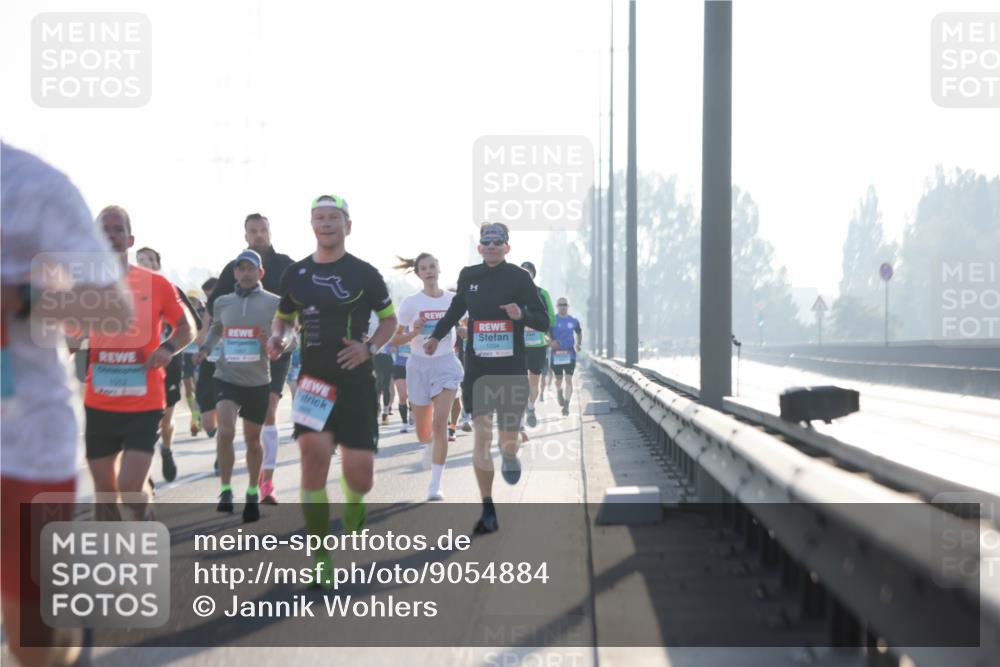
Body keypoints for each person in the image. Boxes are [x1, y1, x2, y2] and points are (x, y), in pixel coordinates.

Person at [1, 142, 132, 667]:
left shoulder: (35, 186)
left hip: (22, 441)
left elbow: (113, 308)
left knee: (32, 641)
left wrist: (20, 299)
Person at [267, 194, 396, 587]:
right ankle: (320, 558)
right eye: (319, 218)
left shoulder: (365, 274)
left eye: (333, 218)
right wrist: (279, 338)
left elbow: (389, 322)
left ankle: (354, 499)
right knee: (312, 458)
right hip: (313, 381)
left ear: (347, 225)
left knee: (361, 477)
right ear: (312, 225)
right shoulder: (296, 274)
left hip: (356, 380)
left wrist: (369, 348)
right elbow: (284, 318)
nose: (326, 224)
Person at [425, 223, 549, 534]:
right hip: (478, 368)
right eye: (486, 241)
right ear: (479, 247)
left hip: (511, 368)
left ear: (507, 247)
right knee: (481, 434)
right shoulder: (469, 275)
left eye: (498, 241)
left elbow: (543, 320)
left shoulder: (519, 278)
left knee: (507, 438)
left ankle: (510, 454)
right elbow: (455, 309)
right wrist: (436, 336)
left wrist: (521, 315)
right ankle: (488, 507)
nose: (492, 245)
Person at [83, 206, 195, 520]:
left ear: (130, 239)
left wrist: (168, 347)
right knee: (104, 492)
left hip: (143, 402)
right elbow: (68, 338)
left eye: (118, 229)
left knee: (131, 488)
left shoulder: (155, 284)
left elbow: (186, 326)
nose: (110, 236)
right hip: (99, 402)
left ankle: (146, 519)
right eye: (103, 230)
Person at [209, 213, 295, 503]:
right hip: (237, 357)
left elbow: (301, 306)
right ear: (245, 235)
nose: (258, 235)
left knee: (269, 413)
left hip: (275, 353)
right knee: (230, 427)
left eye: (262, 230)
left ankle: (266, 483)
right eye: (253, 231)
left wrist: (284, 338)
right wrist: (208, 345)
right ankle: (232, 470)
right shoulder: (232, 268)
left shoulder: (286, 265)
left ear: (270, 233)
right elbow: (215, 309)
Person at [195, 250, 279, 522]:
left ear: (260, 272)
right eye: (240, 269)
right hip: (226, 376)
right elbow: (216, 329)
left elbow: (288, 335)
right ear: (234, 273)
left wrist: (275, 342)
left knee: (253, 440)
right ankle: (226, 490)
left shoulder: (273, 303)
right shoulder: (223, 302)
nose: (245, 273)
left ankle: (253, 492)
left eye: (250, 269)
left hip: (257, 380)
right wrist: (205, 348)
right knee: (226, 431)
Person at [392, 253, 464, 501]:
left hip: (446, 363)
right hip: (418, 366)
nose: (429, 271)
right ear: (418, 274)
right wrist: (414, 332)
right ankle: (430, 445)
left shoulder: (453, 300)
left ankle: (435, 483)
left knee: (440, 423)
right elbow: (394, 340)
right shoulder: (410, 304)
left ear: (439, 268)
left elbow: (467, 324)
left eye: (432, 266)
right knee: (424, 434)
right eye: (424, 268)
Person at [134, 246, 202, 483]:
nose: (144, 264)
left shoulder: (170, 289)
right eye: (140, 260)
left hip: (169, 362)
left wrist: (171, 347)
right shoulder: (127, 290)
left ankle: (167, 449)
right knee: (143, 423)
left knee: (165, 419)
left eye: (149, 260)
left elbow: (194, 325)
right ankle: (146, 474)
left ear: (158, 264)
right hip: (139, 366)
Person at [518, 261, 556, 428]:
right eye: (523, 271)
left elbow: (551, 318)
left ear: (533, 274)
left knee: (534, 384)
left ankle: (530, 407)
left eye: (529, 272)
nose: (526, 274)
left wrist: (533, 321)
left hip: (537, 345)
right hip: (518, 344)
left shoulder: (542, 293)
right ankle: (519, 417)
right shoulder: (512, 294)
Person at [195, 277, 220, 441]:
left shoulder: (234, 307)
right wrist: (207, 317)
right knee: (208, 425)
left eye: (213, 296)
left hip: (229, 367)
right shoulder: (205, 313)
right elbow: (199, 340)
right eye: (207, 297)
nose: (210, 300)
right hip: (209, 364)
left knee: (226, 413)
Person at [550, 297, 583, 416]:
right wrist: (550, 342)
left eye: (564, 305)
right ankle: (559, 391)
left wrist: (578, 344)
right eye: (560, 305)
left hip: (570, 354)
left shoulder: (573, 320)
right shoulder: (552, 320)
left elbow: (579, 332)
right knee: (558, 379)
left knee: (569, 379)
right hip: (556, 354)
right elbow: (546, 334)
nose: (563, 307)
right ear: (557, 306)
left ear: (568, 306)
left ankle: (566, 405)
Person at [391, 339, 411, 433]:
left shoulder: (415, 330)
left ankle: (412, 411)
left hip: (414, 366)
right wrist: (392, 348)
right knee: (403, 396)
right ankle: (404, 423)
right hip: (399, 367)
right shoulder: (397, 331)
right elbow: (388, 346)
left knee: (413, 396)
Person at [373, 341, 395, 424]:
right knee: (378, 382)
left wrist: (393, 347)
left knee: (386, 385)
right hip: (376, 357)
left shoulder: (391, 331)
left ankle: (385, 413)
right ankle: (377, 406)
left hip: (387, 358)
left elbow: (395, 345)